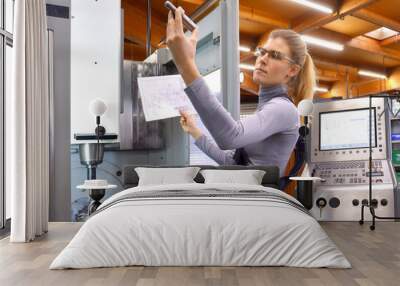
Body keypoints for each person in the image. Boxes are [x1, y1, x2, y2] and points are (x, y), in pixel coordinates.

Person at [166, 7, 316, 178]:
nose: (263, 59)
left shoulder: (283, 109)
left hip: (258, 201)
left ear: (293, 70)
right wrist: (195, 131)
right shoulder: (266, 108)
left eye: (274, 55)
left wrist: (185, 63)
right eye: (262, 52)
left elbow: (230, 137)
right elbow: (233, 163)